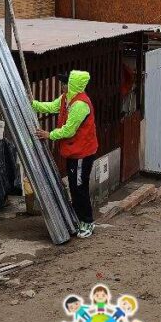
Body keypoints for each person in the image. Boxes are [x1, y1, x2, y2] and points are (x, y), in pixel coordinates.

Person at [33, 70, 99, 238]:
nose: (62, 86)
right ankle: (79, 219)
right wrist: (33, 104)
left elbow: (69, 130)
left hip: (82, 153)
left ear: (72, 85)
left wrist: (50, 135)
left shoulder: (80, 105)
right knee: (75, 187)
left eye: (65, 83)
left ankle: (87, 222)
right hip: (74, 151)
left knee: (79, 188)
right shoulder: (66, 98)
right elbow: (51, 106)